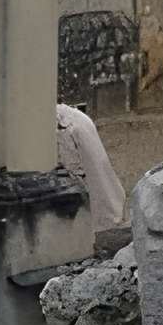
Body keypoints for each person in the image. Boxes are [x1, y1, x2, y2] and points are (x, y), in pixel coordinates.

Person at [56, 101, 125, 238]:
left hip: (97, 222)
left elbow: (74, 170)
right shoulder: (76, 118)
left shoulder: (66, 126)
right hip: (110, 211)